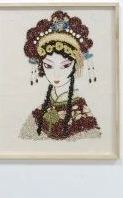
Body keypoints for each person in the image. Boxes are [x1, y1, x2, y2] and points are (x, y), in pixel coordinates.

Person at [19, 10, 100, 141]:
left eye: (65, 65)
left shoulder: (81, 112)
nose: (56, 75)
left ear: (75, 65)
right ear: (41, 66)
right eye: (48, 66)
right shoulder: (40, 110)